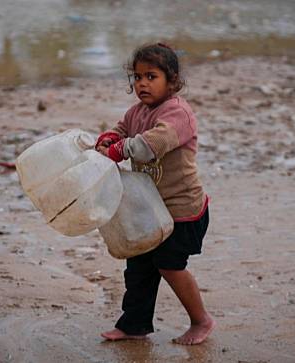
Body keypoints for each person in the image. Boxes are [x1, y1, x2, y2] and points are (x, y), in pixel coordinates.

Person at [95, 43, 214, 345]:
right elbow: (123, 131)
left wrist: (119, 150)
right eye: (137, 77)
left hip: (182, 210)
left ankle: (201, 321)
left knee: (170, 266)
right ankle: (134, 324)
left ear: (172, 80)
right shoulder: (137, 112)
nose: (142, 83)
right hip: (149, 210)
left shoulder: (178, 114)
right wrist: (109, 140)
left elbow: (149, 146)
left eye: (151, 76)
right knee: (138, 268)